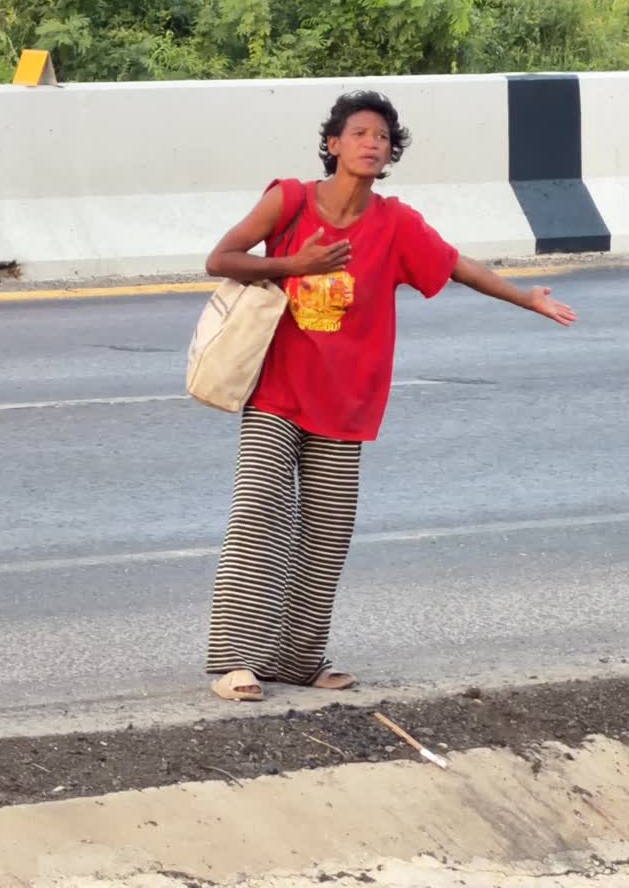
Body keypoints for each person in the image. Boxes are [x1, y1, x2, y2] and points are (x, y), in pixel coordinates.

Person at [204, 90, 577, 702]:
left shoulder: (395, 223)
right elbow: (221, 259)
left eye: (381, 137)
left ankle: (297, 658)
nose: (372, 143)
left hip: (346, 402)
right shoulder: (290, 200)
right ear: (333, 144)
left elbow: (455, 265)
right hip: (275, 391)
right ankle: (235, 661)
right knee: (259, 517)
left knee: (327, 534)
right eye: (359, 133)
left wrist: (525, 297)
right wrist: (296, 265)